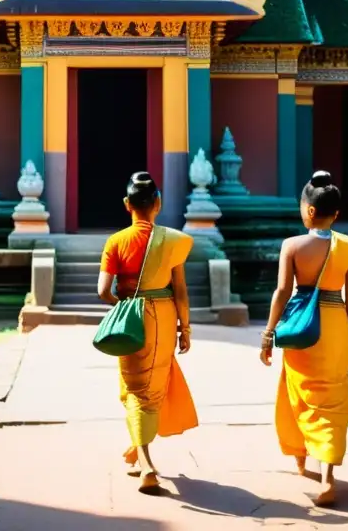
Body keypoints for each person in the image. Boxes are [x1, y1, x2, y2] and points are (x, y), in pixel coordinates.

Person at [260, 171, 348, 508]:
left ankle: (302, 458)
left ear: (308, 211)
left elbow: (281, 292)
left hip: (302, 328)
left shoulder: (291, 245)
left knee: (302, 394)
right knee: (332, 401)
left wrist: (267, 334)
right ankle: (328, 477)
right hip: (335, 327)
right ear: (336, 214)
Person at [96, 171, 197, 494]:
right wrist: (185, 328)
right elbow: (180, 290)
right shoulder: (172, 241)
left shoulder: (116, 242)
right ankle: (145, 461)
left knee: (135, 387)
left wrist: (123, 303)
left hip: (133, 319)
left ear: (127, 205)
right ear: (158, 203)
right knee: (150, 389)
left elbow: (102, 291)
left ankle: (144, 460)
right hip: (164, 316)